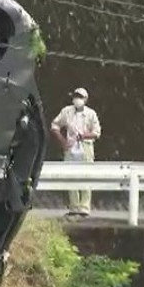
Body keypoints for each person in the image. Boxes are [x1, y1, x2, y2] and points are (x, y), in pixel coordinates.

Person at [51, 87, 102, 217]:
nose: (77, 99)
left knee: (87, 175)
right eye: (75, 96)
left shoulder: (91, 114)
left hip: (85, 147)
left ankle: (84, 207)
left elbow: (97, 133)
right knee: (70, 176)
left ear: (85, 99)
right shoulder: (66, 111)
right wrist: (62, 141)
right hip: (70, 146)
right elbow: (55, 126)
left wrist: (84, 136)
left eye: (80, 96)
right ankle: (74, 206)